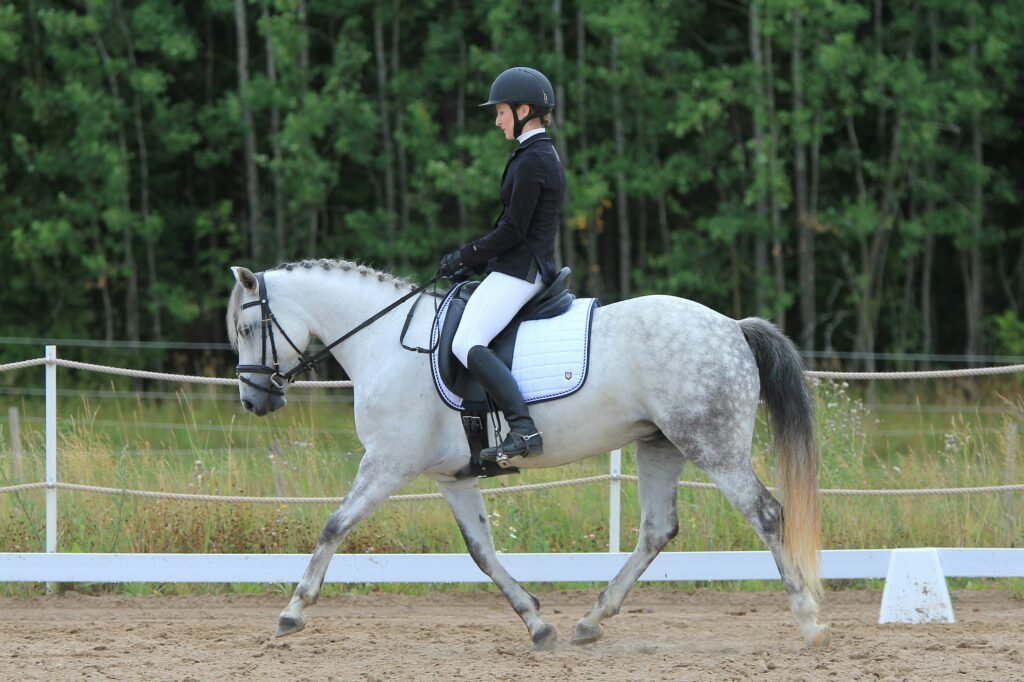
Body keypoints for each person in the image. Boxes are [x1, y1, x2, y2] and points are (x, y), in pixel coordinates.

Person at [438, 66, 565, 463]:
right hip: (515, 264)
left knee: (465, 342)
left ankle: (523, 429)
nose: (497, 121)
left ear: (524, 109)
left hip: (522, 271)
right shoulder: (532, 154)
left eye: (501, 112)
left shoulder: (534, 160)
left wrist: (466, 255)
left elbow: (512, 229)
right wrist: (477, 262)